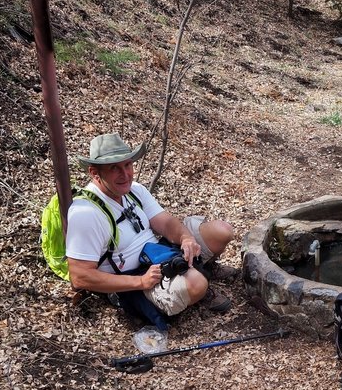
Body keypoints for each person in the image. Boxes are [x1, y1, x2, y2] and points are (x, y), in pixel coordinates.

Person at [65, 133, 237, 325]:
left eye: (128, 165)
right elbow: (80, 276)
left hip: (159, 252)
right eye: (114, 168)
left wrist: (186, 238)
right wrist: (141, 282)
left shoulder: (134, 190)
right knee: (197, 283)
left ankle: (202, 269)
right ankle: (197, 284)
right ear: (95, 173)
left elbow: (165, 222)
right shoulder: (86, 213)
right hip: (136, 277)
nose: (125, 174)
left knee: (221, 231)